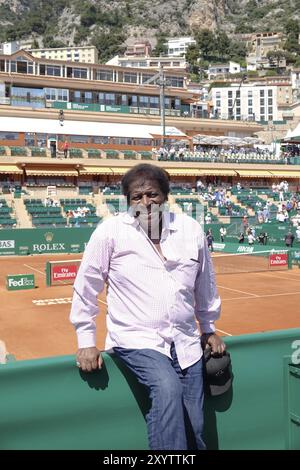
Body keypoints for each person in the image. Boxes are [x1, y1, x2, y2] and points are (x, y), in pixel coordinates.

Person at [70, 163, 225, 450]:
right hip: (135, 338)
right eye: (136, 197)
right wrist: (86, 340)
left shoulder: (191, 230)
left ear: (166, 196)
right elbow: (86, 286)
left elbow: (205, 285)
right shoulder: (110, 232)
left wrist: (209, 329)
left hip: (186, 343)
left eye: (152, 194)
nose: (145, 203)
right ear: (127, 201)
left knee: (197, 425)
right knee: (167, 388)